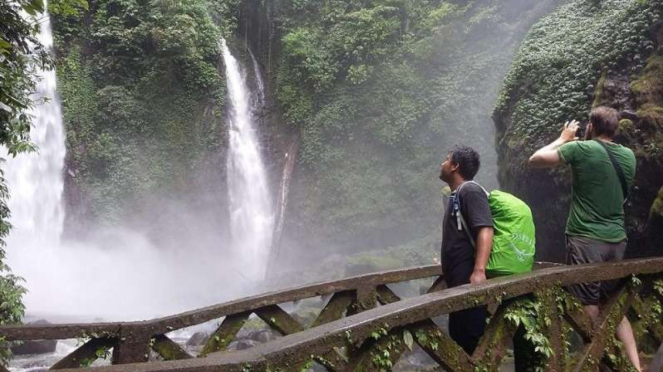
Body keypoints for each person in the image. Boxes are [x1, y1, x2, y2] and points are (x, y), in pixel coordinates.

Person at [528, 106, 640, 371]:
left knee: (588, 303)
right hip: (617, 239)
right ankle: (635, 367)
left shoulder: (582, 149)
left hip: (586, 238)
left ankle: (596, 361)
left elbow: (535, 159)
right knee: (612, 305)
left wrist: (564, 138)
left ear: (591, 126)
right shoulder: (628, 156)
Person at [439, 145, 494, 354]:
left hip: (470, 281)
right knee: (460, 335)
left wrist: (479, 271)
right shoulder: (456, 195)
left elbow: (485, 228)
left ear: (455, 166)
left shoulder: (470, 190)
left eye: (446, 159)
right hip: (458, 282)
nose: (442, 164)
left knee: (472, 340)